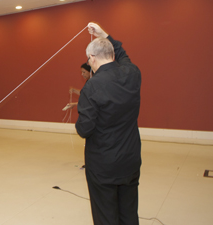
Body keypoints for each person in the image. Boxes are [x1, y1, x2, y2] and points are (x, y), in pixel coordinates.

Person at [75, 22, 142, 225]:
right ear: (111, 55)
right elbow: (123, 55)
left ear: (92, 58)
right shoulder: (133, 73)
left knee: (106, 215)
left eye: (88, 59)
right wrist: (105, 35)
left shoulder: (92, 87)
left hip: (103, 166)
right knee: (128, 213)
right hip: (130, 160)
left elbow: (84, 129)